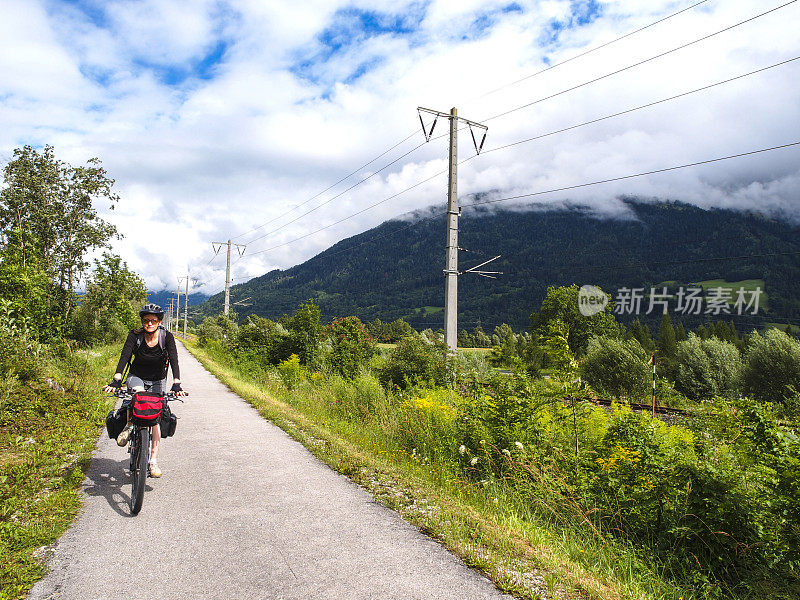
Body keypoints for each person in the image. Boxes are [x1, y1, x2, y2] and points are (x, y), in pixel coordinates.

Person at [103, 303, 187, 478]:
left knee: (155, 418)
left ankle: (153, 462)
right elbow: (125, 356)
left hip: (158, 380)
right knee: (137, 399)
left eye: (153, 320)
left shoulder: (167, 337)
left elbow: (174, 360)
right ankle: (129, 426)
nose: (149, 323)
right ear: (142, 321)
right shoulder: (135, 336)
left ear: (159, 322)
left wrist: (176, 383)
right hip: (137, 376)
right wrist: (117, 379)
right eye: (146, 320)